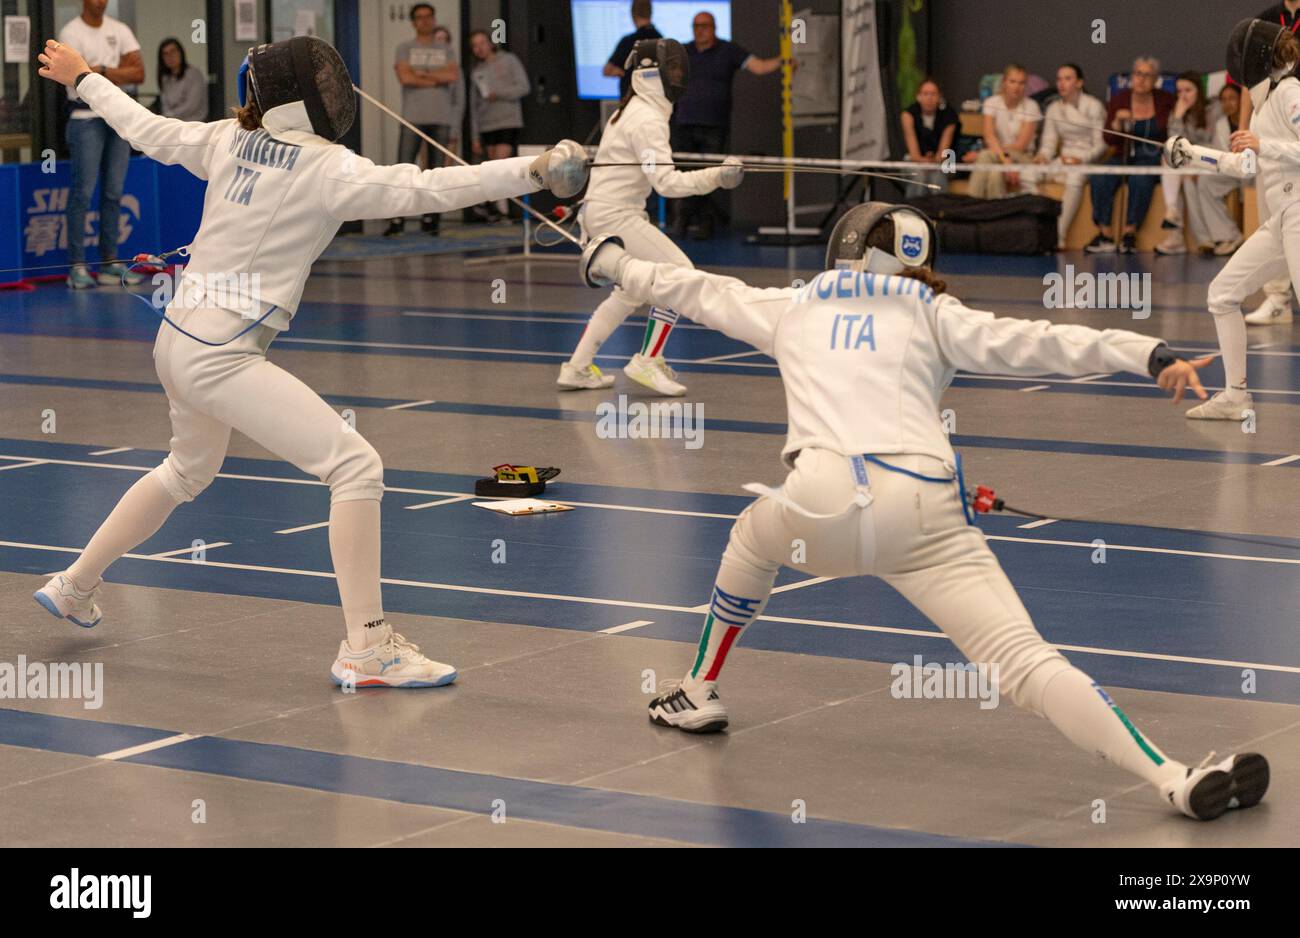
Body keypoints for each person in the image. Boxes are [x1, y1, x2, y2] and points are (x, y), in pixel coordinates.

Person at [577, 203, 1270, 823]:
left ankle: (699, 689)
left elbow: (685, 288)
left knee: (751, 537)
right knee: (1026, 662)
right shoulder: (935, 314)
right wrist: (1147, 354)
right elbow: (1041, 340)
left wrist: (608, 258)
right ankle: (1174, 779)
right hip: (925, 510)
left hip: (819, 507)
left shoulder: (795, 304)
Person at [32, 35, 589, 686]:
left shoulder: (229, 140)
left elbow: (145, 128)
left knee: (186, 471)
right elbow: (427, 188)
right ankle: (367, 646)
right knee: (355, 466)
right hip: (220, 354)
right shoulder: (326, 167)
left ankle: (74, 585)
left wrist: (83, 79)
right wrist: (532, 169)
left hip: (177, 340)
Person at [556, 38, 743, 396]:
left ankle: (577, 367)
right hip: (616, 216)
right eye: (671, 69)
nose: (677, 75)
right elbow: (668, 184)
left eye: (678, 68)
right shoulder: (646, 119)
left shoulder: (635, 109)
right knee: (679, 274)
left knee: (629, 292)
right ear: (652, 74)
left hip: (604, 212)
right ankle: (647, 359)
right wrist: (717, 176)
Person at [1167, 17, 1300, 417]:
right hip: (1279, 220)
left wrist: (1267, 146)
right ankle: (1236, 395)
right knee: (1222, 295)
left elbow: (1270, 150)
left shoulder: (1290, 93)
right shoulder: (1261, 106)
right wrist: (1192, 153)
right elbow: (1245, 165)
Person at [668, 11, 784, 239]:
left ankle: (703, 222)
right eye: (695, 26)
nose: (699, 30)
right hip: (684, 122)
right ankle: (682, 219)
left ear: (714, 27)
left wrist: (785, 59)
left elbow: (759, 67)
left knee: (710, 174)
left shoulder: (728, 50)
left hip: (714, 124)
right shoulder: (684, 52)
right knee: (682, 173)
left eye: (704, 26)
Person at [58, 0, 145, 290]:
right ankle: (77, 266)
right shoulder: (71, 33)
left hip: (116, 117)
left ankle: (109, 263)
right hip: (84, 119)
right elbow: (75, 77)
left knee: (114, 192)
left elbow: (139, 73)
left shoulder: (119, 29)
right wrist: (115, 73)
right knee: (83, 191)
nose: (102, 1)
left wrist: (102, 71)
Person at [1085, 56, 1175, 255]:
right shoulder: (1120, 100)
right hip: (1122, 153)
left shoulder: (1165, 100)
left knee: (1140, 179)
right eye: (1138, 74)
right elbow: (1108, 138)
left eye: (1147, 75)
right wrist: (1117, 122)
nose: (1141, 79)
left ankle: (1129, 233)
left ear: (1155, 80)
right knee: (1100, 176)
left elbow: (1171, 132)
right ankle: (1105, 233)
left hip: (1150, 156)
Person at [386, 4, 461, 238]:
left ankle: (431, 219)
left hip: (441, 118)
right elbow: (405, 78)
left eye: (428, 17)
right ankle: (397, 219)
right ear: (413, 22)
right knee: (403, 169)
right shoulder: (404, 48)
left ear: (433, 19)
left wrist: (422, 74)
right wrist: (436, 78)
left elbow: (453, 76)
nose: (425, 21)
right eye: (420, 18)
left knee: (436, 172)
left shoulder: (446, 49)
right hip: (412, 118)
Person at [1030, 63, 1106, 249]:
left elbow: (1101, 144)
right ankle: (1040, 221)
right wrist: (1042, 157)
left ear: (1079, 83)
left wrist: (1081, 159)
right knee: (1028, 174)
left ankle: (1059, 235)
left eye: (1068, 79)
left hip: (1086, 161)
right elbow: (1048, 143)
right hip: (1063, 159)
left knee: (1074, 177)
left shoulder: (1094, 106)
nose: (1062, 83)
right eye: (1059, 79)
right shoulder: (1053, 108)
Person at [469, 29, 530, 220]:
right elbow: (474, 105)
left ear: (490, 43)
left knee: (499, 164)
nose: (479, 48)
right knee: (492, 168)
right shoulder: (476, 72)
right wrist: (475, 135)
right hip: (487, 124)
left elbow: (523, 87)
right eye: (474, 46)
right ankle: (496, 209)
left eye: (482, 43)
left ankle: (487, 203)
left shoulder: (509, 60)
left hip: (508, 120)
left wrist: (499, 93)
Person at [1156, 72, 1215, 256]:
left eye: (1188, 90)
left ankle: (1177, 233)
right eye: (1179, 91)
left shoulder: (1213, 109)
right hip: (1189, 164)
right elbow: (1174, 143)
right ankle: (1173, 213)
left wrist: (1195, 161)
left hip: (1212, 160)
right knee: (1169, 159)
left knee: (1182, 173)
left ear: (1199, 90)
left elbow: (1212, 142)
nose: (1183, 95)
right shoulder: (1179, 112)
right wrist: (1178, 117)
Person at [1188, 83, 1248, 257]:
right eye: (1223, 100)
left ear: (1242, 100)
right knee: (1205, 183)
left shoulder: (1253, 119)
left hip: (1254, 172)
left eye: (1232, 99)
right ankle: (1230, 236)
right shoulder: (1221, 124)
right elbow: (1219, 154)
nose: (1228, 104)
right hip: (1231, 171)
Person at [969, 64, 1040, 199]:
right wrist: (1005, 160)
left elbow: (1021, 145)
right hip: (998, 156)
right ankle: (995, 216)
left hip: (1022, 157)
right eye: (1012, 81)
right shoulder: (991, 102)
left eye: (1021, 83)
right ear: (1004, 83)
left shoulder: (1031, 106)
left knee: (984, 155)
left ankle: (970, 204)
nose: (1016, 87)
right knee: (995, 174)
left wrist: (1003, 157)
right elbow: (989, 135)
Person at [605, 0, 660, 100]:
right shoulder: (662, 41)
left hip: (631, 102)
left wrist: (624, 73)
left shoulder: (627, 42)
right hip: (656, 102)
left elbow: (607, 70)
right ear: (651, 13)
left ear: (632, 14)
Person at [901, 77, 958, 170]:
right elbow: (914, 155)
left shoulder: (949, 115)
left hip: (943, 162)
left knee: (938, 176)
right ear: (918, 97)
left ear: (940, 96)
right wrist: (923, 161)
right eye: (925, 94)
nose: (929, 98)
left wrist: (933, 161)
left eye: (933, 94)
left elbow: (943, 153)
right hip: (914, 161)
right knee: (919, 175)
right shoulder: (908, 115)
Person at [433, 25, 465, 159]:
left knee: (445, 171)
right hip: (427, 126)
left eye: (444, 39)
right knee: (426, 171)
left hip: (448, 126)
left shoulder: (455, 69)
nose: (440, 43)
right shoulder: (423, 68)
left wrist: (454, 130)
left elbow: (459, 102)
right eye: (437, 39)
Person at [156, 38, 206, 122]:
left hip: (194, 123)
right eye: (165, 54)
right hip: (173, 123)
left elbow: (191, 106)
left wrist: (170, 115)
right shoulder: (166, 78)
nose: (170, 56)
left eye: (173, 51)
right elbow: (165, 105)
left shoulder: (194, 74)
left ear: (181, 53)